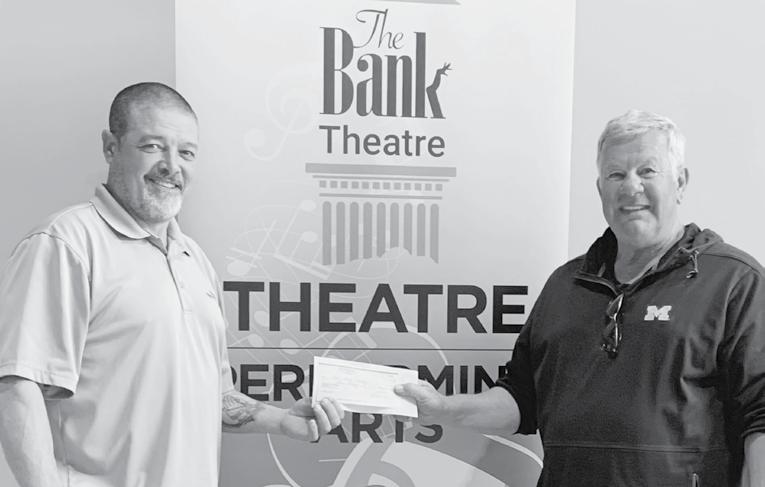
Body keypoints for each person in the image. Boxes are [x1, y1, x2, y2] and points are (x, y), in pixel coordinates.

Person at [0, 82, 344, 487]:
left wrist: (281, 420)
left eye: (186, 152)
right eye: (152, 146)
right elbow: (17, 385)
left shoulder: (195, 261)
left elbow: (216, 396)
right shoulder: (66, 244)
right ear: (111, 147)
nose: (171, 166)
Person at [396, 109, 765, 486]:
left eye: (647, 171)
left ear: (680, 182)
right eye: (616, 174)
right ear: (601, 189)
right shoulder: (565, 285)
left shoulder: (733, 282)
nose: (631, 187)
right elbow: (521, 400)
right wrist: (441, 409)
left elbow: (760, 414)